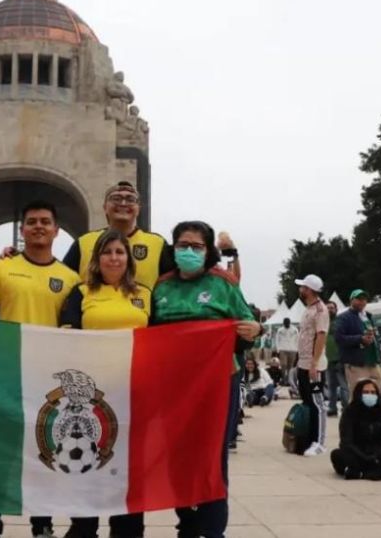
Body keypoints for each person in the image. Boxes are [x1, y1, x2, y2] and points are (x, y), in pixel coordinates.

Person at [0, 201, 81, 538]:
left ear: (56, 230)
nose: (38, 227)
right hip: (6, 374)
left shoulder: (70, 278)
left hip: (48, 380)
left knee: (45, 452)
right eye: (32, 222)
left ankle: (42, 523)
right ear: (22, 231)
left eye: (45, 222)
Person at [151, 221, 262, 538]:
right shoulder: (162, 286)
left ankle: (214, 531)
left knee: (212, 457)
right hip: (174, 386)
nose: (188, 251)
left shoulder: (223, 283)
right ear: (173, 249)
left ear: (209, 250)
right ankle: (187, 525)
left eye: (197, 246)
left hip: (217, 384)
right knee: (178, 456)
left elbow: (248, 324)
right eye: (182, 245)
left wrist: (257, 329)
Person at [61, 181, 174, 290]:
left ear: (138, 209)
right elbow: (64, 280)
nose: (123, 204)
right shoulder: (84, 242)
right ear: (105, 207)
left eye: (130, 199)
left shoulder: (157, 244)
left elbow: (171, 281)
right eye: (116, 199)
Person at [329, 379, 381, 480]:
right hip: (357, 454)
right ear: (359, 394)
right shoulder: (350, 412)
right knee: (337, 455)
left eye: (373, 392)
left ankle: (362, 474)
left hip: (378, 454)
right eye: (366, 392)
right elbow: (346, 442)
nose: (369, 395)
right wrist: (365, 457)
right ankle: (376, 472)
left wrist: (377, 455)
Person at [294, 274, 330, 457]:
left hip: (314, 365)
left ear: (309, 290)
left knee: (318, 404)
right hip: (303, 362)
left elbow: (321, 336)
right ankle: (310, 437)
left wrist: (314, 364)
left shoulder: (321, 310)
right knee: (308, 401)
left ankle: (320, 443)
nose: (300, 289)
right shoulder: (308, 308)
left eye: (303, 287)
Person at [335, 289, 381, 387]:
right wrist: (360, 339)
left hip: (373, 362)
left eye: (364, 299)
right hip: (356, 363)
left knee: (376, 392)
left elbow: (375, 335)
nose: (362, 301)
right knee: (357, 394)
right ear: (351, 300)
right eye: (359, 299)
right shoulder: (343, 317)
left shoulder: (369, 316)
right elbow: (339, 338)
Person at [324, 301, 347, 417]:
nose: (329, 310)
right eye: (327, 308)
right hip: (327, 360)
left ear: (336, 309)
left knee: (343, 386)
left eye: (332, 308)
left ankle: (346, 408)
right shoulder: (323, 323)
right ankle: (332, 408)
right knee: (331, 386)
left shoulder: (340, 322)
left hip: (340, 359)